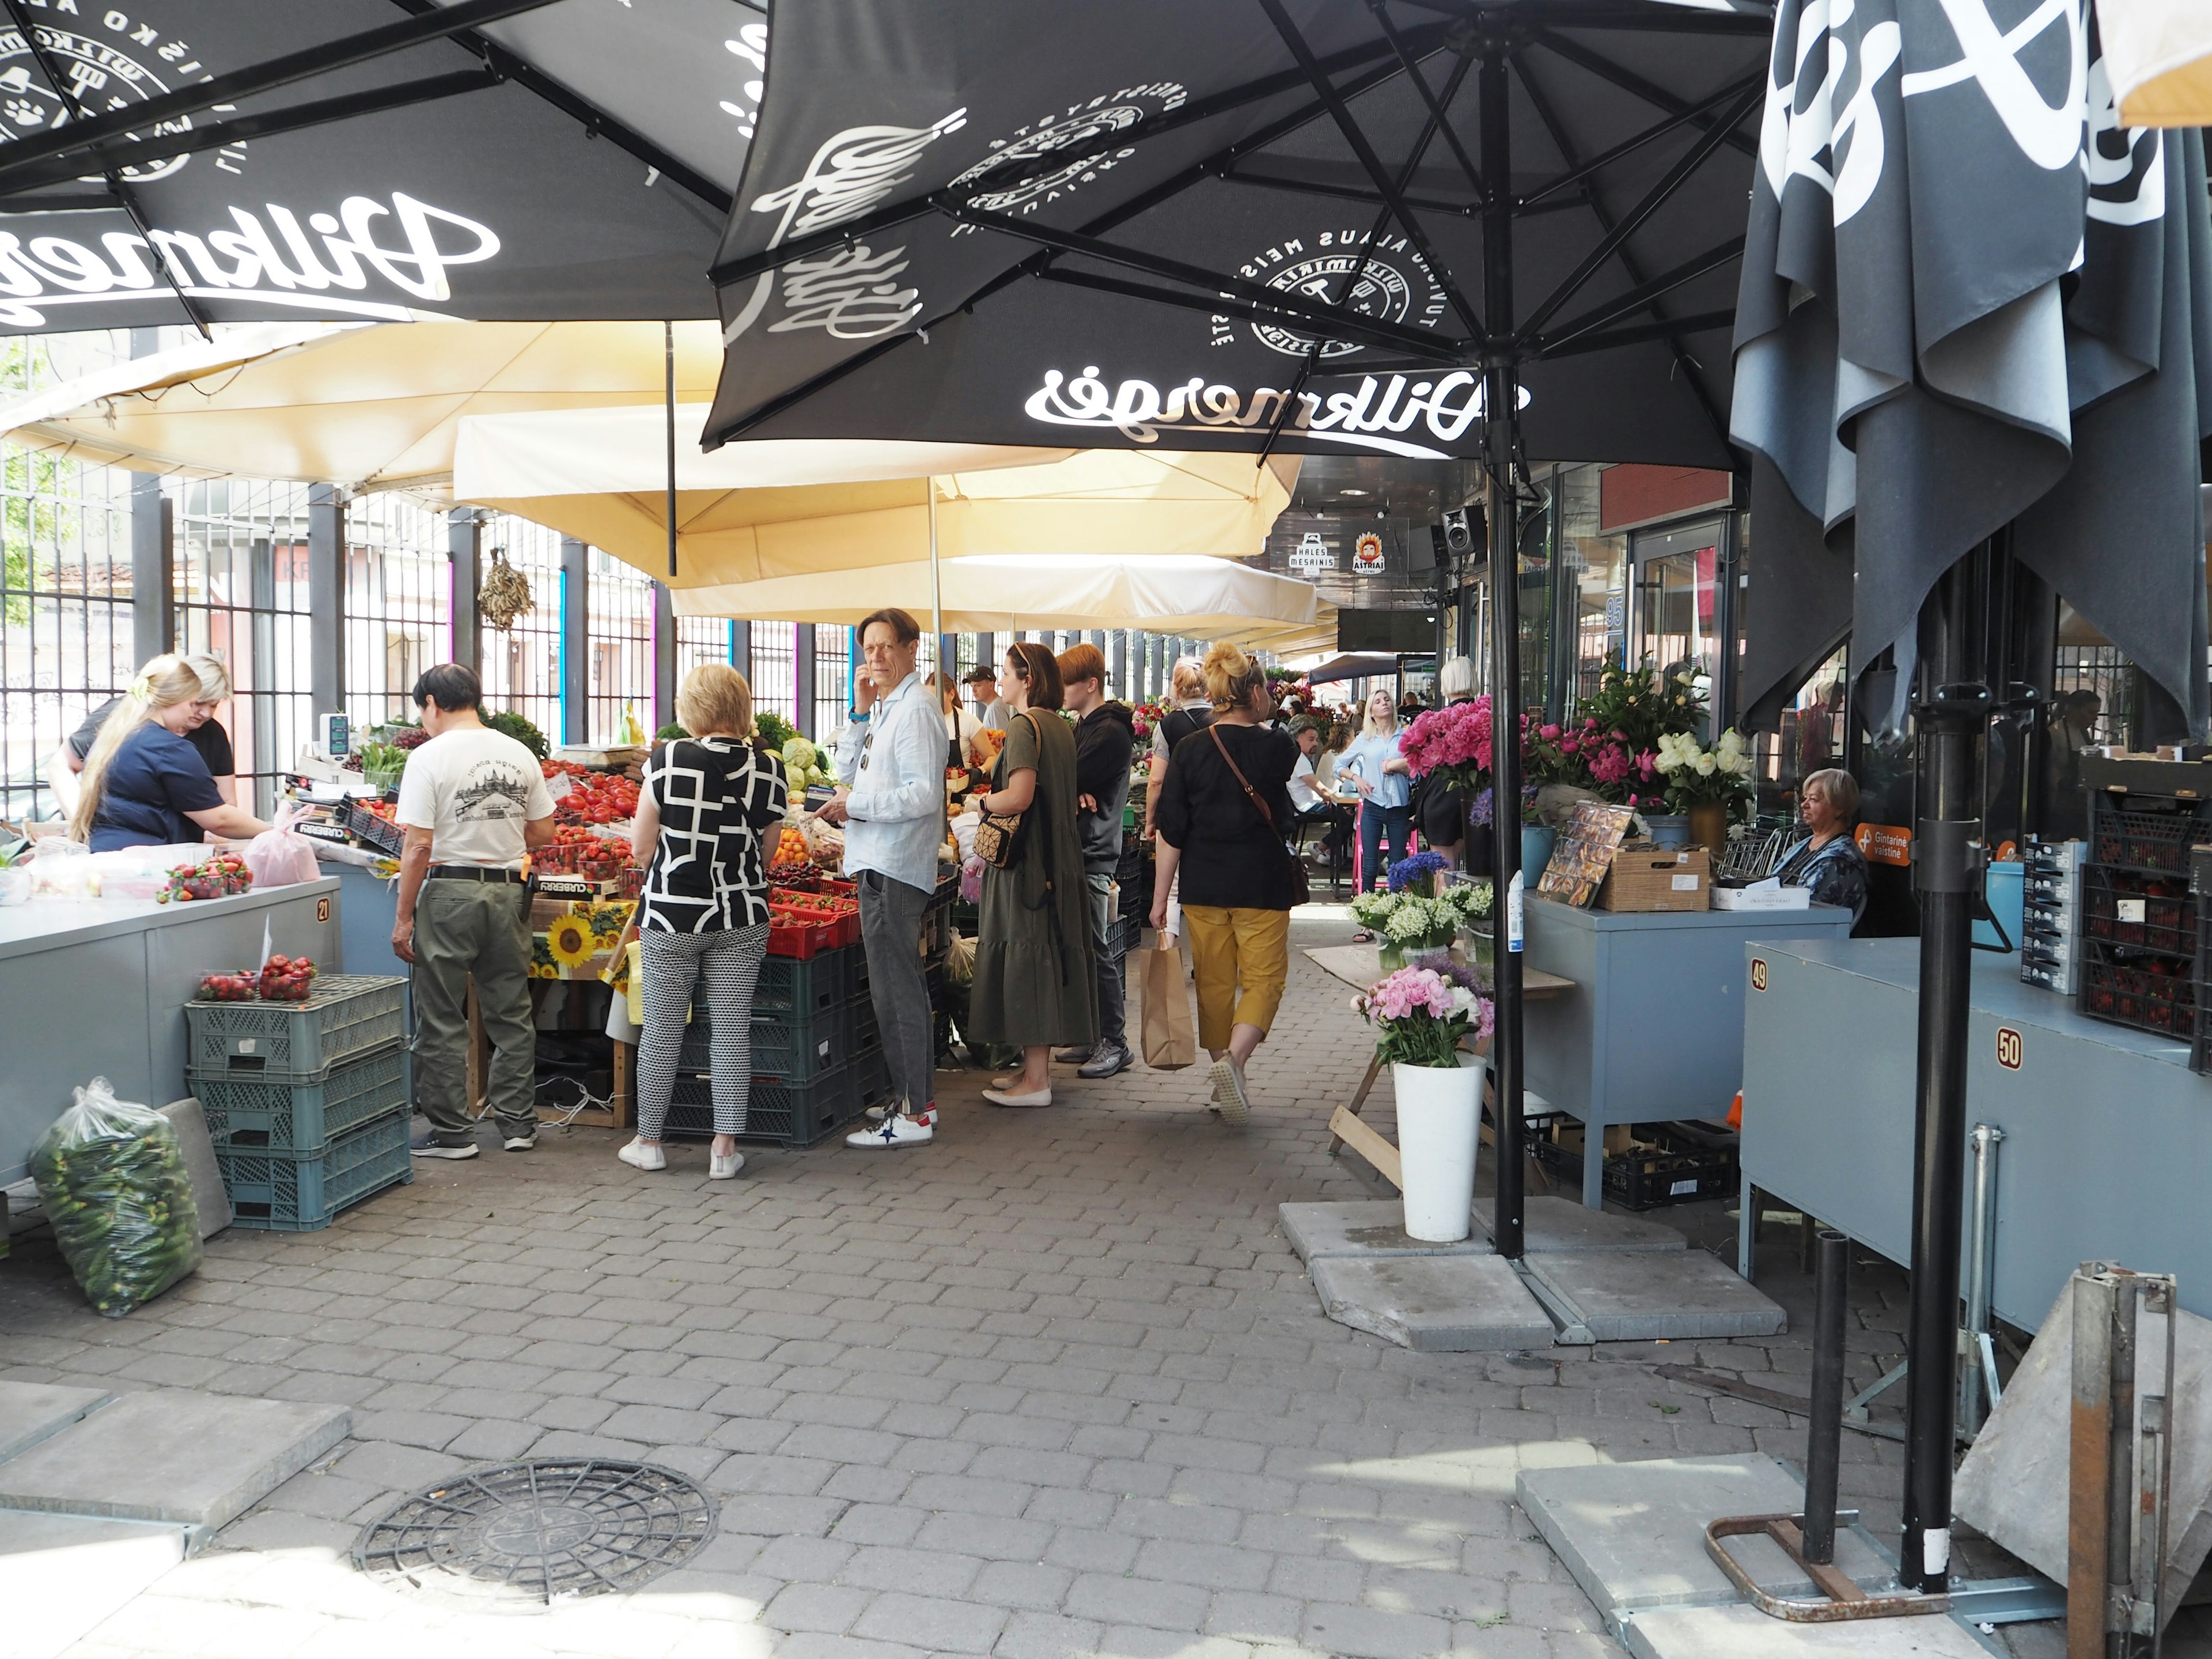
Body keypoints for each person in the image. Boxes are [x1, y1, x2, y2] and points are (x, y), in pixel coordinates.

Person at [620, 664, 787, 1180]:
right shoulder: (769, 768)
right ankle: (724, 1148)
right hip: (742, 914)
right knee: (733, 1029)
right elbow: (769, 851)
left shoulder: (666, 760)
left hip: (672, 915)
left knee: (663, 1030)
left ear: (691, 708)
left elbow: (641, 847)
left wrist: (674, 873)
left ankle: (649, 1141)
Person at [392, 664, 557, 1159]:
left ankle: (452, 1134)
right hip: (508, 894)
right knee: (511, 1013)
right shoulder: (518, 752)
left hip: (449, 894)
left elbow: (418, 846)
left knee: (443, 1017)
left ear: (432, 705)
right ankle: (518, 1125)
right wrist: (498, 835)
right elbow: (544, 833)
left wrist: (403, 918)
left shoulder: (427, 757)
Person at [1151, 642, 1298, 1125]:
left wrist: (1160, 902)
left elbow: (1171, 830)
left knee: (1214, 984)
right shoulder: (1280, 745)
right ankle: (1234, 1064)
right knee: (1264, 981)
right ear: (1254, 693)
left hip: (1204, 886)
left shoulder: (1190, 751)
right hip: (1262, 884)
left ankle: (1223, 1075)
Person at [823, 608, 948, 1149]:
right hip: (876, 861)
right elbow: (849, 772)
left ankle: (914, 1113)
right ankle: (916, 1098)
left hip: (895, 865)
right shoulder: (887, 707)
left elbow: (924, 794)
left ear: (912, 647)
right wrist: (859, 710)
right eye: (868, 649)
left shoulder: (917, 709)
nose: (875, 658)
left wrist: (858, 809)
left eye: (885, 647)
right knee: (898, 987)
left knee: (896, 991)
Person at [968, 641, 1096, 1106]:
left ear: (1028, 679)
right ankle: (1031, 1070)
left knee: (1028, 954)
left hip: (1027, 862)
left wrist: (980, 802)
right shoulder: (1059, 727)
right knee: (1043, 951)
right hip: (1058, 858)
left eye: (1005, 673)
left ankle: (1036, 1080)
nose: (998, 681)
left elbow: (1019, 796)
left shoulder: (1024, 726)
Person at [69, 654, 270, 851]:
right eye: (194, 703)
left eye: (214, 705)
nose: (200, 713)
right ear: (175, 698)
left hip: (101, 851)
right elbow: (219, 819)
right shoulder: (169, 747)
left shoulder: (114, 732)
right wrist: (272, 831)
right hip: (150, 859)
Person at [1056, 641, 1135, 1080]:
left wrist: (1072, 785)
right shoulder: (1086, 726)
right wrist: (1072, 787)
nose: (1062, 690)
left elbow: (1064, 774)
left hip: (1094, 850)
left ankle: (1115, 1043)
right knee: (1084, 947)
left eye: (1068, 681)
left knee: (1094, 947)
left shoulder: (1107, 732)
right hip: (1084, 847)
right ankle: (1094, 1034)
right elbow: (1068, 777)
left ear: (1090, 684)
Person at [54, 651, 238, 821]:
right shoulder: (115, 716)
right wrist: (81, 821)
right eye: (198, 703)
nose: (206, 713)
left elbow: (227, 801)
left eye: (214, 705)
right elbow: (61, 765)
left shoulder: (212, 733)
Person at [1142, 657, 1214, 937]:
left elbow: (1156, 780)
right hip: (1211, 817)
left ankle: (1166, 952)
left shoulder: (1168, 725)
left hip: (1173, 817)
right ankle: (1206, 961)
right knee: (1206, 892)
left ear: (1177, 688)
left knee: (1170, 889)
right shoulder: (1221, 720)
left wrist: (1150, 820)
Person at [1339, 685, 1414, 893]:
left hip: (1399, 806)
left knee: (1397, 866)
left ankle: (1395, 913)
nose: (1385, 703)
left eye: (1387, 700)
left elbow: (1418, 769)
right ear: (1371, 712)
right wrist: (1357, 779)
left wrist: (1400, 768)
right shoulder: (1365, 738)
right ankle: (1367, 916)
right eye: (1379, 701)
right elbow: (1339, 765)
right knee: (1370, 866)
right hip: (1373, 805)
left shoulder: (1405, 737)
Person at [1775, 767, 1869, 927]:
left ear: (1839, 808)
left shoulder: (1840, 861)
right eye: (1805, 798)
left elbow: (1809, 919)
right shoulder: (1802, 846)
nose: (1804, 805)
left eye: (1814, 800)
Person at [1413, 656, 1479, 869]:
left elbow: (1421, 760)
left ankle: (1444, 903)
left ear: (1446, 682)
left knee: (1443, 867)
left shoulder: (1437, 720)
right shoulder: (1486, 717)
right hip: (1479, 798)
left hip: (1441, 798)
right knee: (1478, 868)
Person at [930, 670, 983, 768]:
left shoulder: (968, 721)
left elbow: (991, 757)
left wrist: (980, 771)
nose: (933, 702)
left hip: (961, 783)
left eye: (937, 697)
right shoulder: (922, 722)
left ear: (951, 695)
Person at [964, 662, 1007, 732]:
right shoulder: (993, 706)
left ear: (991, 685)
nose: (973, 690)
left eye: (978, 685)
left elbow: (1001, 740)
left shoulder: (996, 707)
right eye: (972, 686)